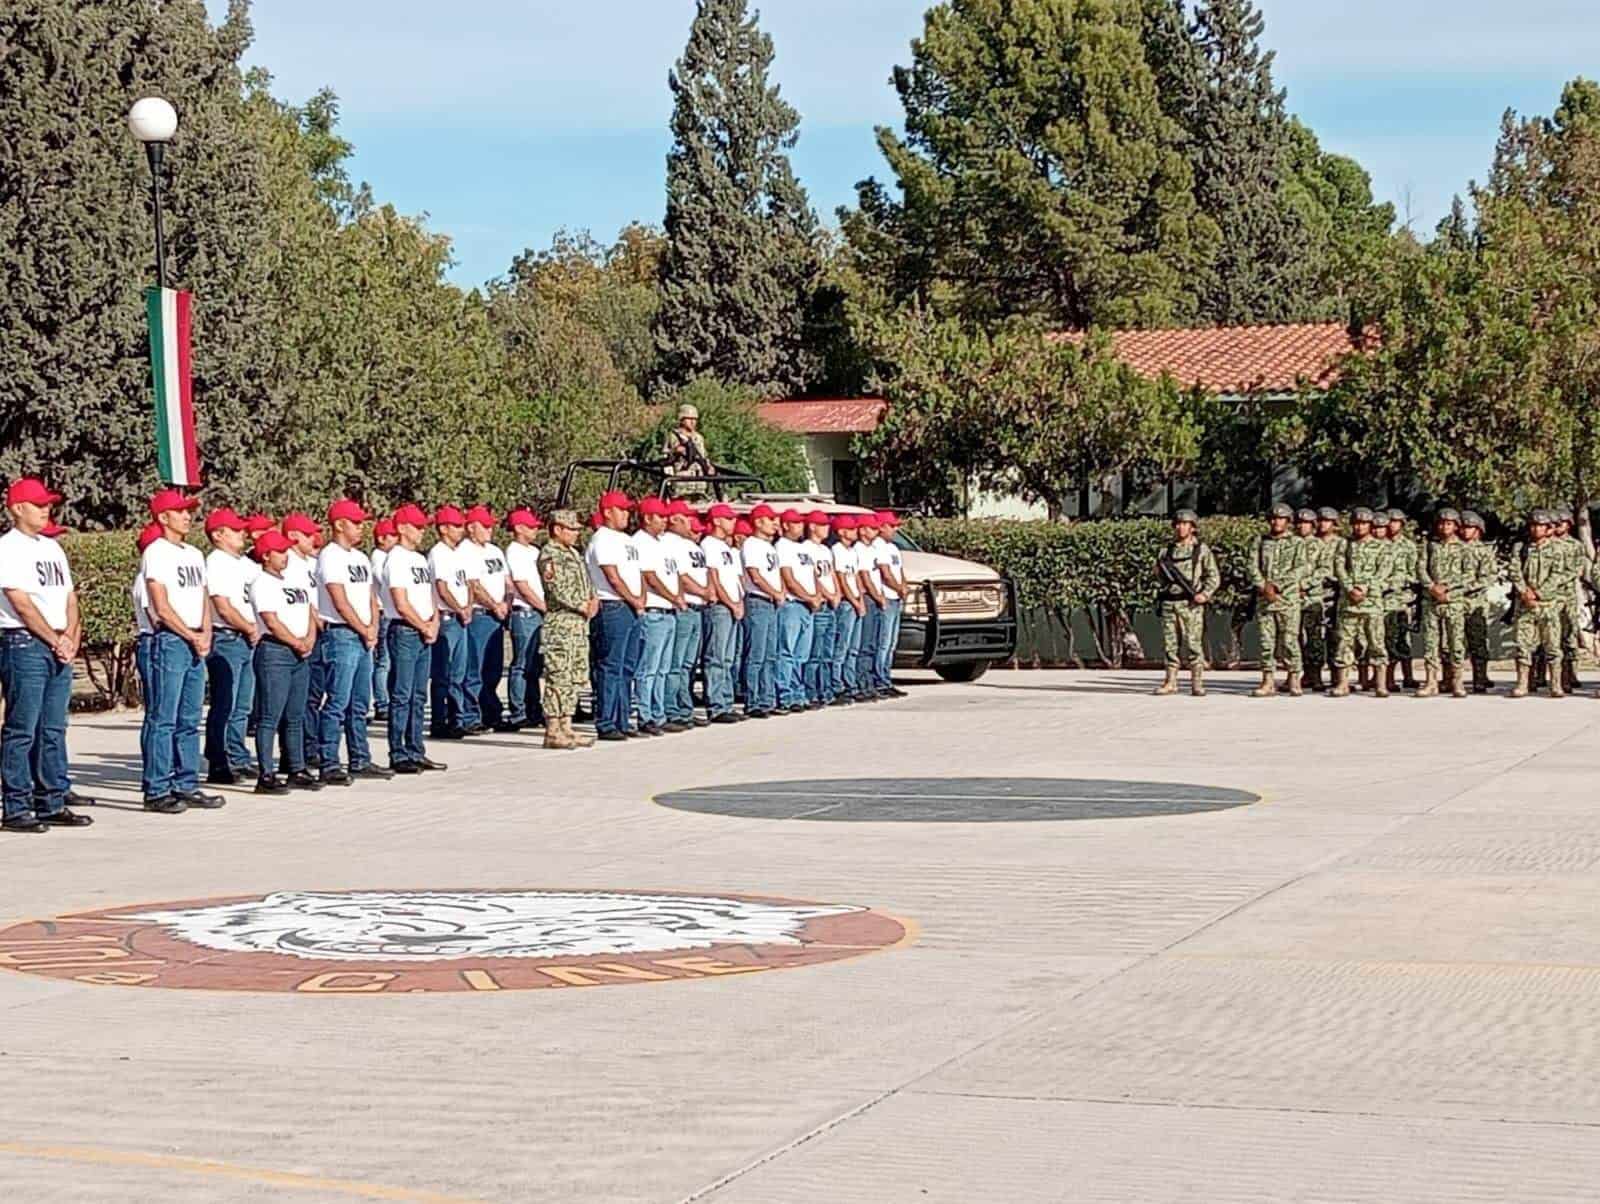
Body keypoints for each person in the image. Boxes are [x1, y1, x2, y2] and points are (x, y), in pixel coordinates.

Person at [0, 477, 91, 833]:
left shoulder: (53, 549)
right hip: (24, 644)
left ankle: (51, 799)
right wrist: (54, 638)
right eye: (38, 504)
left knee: (53, 727)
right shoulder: (8, 548)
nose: (45, 509)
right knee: (22, 728)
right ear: (17, 508)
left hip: (56, 644)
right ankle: (16, 806)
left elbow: (69, 597)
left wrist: (70, 635)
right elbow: (21, 603)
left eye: (47, 503)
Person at [139, 490, 224, 813]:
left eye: (188, 511)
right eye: (180, 512)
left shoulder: (193, 553)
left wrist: (205, 631)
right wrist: (189, 634)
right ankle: (157, 788)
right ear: (163, 518)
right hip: (171, 640)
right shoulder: (157, 553)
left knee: (189, 717)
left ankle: (186, 783)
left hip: (194, 639)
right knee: (164, 717)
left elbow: (202, 595)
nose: (187, 516)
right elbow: (160, 606)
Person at [316, 498, 389, 784]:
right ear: (339, 525)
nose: (361, 528)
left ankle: (360, 757)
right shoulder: (330, 556)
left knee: (360, 702)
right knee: (338, 701)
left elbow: (370, 595)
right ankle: (329, 761)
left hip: (363, 636)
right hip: (342, 633)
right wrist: (362, 627)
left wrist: (372, 626)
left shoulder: (360, 558)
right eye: (356, 523)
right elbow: (339, 598)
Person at [249, 529, 323, 794]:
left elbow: (309, 612)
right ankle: (266, 773)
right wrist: (296, 641)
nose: (285, 556)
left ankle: (296, 767)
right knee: (270, 715)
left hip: (300, 651)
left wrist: (310, 638)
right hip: (275, 652)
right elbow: (271, 620)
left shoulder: (294, 580)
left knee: (296, 715)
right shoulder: (263, 582)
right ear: (266, 555)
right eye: (280, 551)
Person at [382, 504, 445, 774]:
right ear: (402, 528)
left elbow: (430, 593)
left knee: (419, 695)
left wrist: (434, 621)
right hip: (405, 630)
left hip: (423, 630)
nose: (421, 531)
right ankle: (398, 752)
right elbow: (401, 601)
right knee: (402, 694)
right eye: (417, 527)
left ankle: (416, 748)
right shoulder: (396, 558)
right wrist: (423, 625)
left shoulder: (419, 559)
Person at [201, 507, 258, 785]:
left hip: (247, 638)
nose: (242, 534)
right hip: (228, 637)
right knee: (225, 703)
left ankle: (237, 755)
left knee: (243, 705)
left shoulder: (245, 564)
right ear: (218, 534)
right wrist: (249, 627)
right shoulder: (217, 562)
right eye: (235, 530)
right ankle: (218, 760)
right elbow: (222, 605)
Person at [587, 491, 645, 742]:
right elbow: (612, 576)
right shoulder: (603, 540)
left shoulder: (627, 540)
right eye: (621, 510)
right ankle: (607, 721)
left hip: (631, 606)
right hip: (613, 606)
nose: (626, 515)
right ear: (608, 512)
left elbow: (637, 571)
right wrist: (633, 598)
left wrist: (640, 597)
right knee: (610, 665)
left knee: (627, 665)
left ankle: (622, 718)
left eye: (628, 510)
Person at [538, 509, 599, 749]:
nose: (575, 534)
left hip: (578, 625)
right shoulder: (550, 554)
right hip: (561, 623)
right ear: (557, 529)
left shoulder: (573, 553)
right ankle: (553, 729)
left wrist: (593, 600)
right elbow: (557, 588)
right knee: (559, 676)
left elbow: (587, 582)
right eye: (571, 529)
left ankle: (567, 726)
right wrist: (581, 604)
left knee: (574, 677)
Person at [1153, 509, 1219, 697]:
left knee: (1193, 644)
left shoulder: (1201, 550)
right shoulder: (1166, 551)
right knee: (1170, 645)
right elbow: (1160, 578)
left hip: (1190, 605)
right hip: (1170, 603)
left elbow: (1213, 576)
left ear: (1193, 527)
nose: (1181, 527)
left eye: (1185, 524)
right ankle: (1170, 681)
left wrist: (1204, 594)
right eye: (1178, 524)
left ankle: (1197, 683)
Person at [1248, 503, 1308, 697]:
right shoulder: (1260, 541)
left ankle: (1294, 678)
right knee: (1267, 642)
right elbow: (1251, 566)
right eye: (1273, 518)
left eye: (1281, 519)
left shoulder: (1297, 543)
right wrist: (1263, 585)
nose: (1276, 522)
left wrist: (1277, 585)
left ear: (1288, 522)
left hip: (1287, 600)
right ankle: (1267, 681)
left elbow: (1300, 568)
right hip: (1265, 600)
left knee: (1290, 641)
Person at [461, 505, 511, 733]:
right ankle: (471, 715)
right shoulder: (466, 551)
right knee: (475, 668)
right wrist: (494, 605)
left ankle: (491, 712)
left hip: (497, 615)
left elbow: (507, 581)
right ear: (471, 528)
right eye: (486, 526)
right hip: (481, 614)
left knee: (493, 668)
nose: (490, 530)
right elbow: (474, 585)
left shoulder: (495, 551)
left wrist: (506, 604)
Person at [1331, 508, 1390, 698]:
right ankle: (1343, 683)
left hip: (1371, 602)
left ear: (1370, 525)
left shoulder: (1381, 546)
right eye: (1356, 523)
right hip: (1348, 602)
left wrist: (1365, 587)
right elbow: (1339, 567)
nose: (1359, 526)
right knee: (1344, 643)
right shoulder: (1344, 544)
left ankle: (1380, 684)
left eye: (1363, 523)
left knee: (1376, 642)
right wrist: (1349, 588)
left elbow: (1384, 570)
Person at [281, 512, 325, 767]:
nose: (313, 538)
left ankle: (309, 746)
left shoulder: (311, 562)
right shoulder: (289, 564)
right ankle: (298, 752)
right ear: (293, 536)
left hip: (316, 634)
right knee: (301, 699)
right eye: (308, 534)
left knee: (314, 695)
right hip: (302, 635)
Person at [633, 497, 679, 735]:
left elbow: (674, 573)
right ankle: (645, 714)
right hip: (654, 610)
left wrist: (676, 597)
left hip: (668, 611)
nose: (665, 521)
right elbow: (649, 576)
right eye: (660, 516)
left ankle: (659, 713)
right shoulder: (641, 542)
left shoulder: (661, 542)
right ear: (647, 518)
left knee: (663, 668)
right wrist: (673, 596)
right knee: (649, 667)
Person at [663, 501, 711, 728]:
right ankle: (672, 709)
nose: (690, 522)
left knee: (688, 664)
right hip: (684, 607)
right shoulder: (669, 543)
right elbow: (679, 576)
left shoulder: (689, 544)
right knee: (676, 662)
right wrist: (702, 591)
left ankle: (684, 706)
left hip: (697, 607)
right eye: (685, 517)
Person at [428, 505, 473, 739]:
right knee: (443, 674)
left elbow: (469, 584)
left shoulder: (458, 553)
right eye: (456, 526)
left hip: (460, 617)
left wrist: (468, 606)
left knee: (459, 673)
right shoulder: (438, 553)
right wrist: (459, 608)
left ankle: (457, 718)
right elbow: (442, 588)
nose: (461, 529)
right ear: (444, 529)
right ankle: (439, 720)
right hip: (447, 617)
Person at [1510, 510, 1564, 698]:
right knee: (1522, 646)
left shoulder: (1557, 549)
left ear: (1548, 528)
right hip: (1525, 605)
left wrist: (1539, 593)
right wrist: (1524, 591)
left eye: (1540, 525)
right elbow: (1514, 571)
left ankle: (1556, 685)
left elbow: (1557, 575)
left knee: (1552, 646)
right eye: (1533, 525)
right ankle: (1523, 683)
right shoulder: (1520, 548)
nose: (1536, 529)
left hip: (1547, 604)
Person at [1416, 508, 1470, 698]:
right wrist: (1431, 587)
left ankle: (1457, 681)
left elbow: (1469, 574)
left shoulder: (1464, 548)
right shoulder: (1430, 546)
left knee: (1456, 643)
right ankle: (1431, 681)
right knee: (1431, 643)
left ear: (1456, 526)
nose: (1444, 526)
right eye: (1441, 523)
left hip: (1453, 601)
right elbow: (1421, 568)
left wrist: (1447, 587)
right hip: (1432, 601)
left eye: (1449, 523)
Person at [699, 504, 745, 724]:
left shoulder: (726, 547)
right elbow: (714, 578)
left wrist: (739, 601)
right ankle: (716, 705)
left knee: (728, 658)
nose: (733, 522)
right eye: (728, 519)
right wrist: (730, 602)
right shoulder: (709, 545)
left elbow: (735, 578)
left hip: (733, 605)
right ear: (717, 521)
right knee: (716, 657)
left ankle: (726, 701)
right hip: (720, 607)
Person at [503, 509, 548, 732]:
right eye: (531, 527)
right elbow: (522, 585)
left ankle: (533, 708)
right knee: (521, 662)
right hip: (527, 611)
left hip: (538, 611)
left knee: (535, 664)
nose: (535, 530)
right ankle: (518, 710)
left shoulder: (535, 551)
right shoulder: (515, 551)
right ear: (519, 528)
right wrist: (543, 606)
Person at [741, 503, 784, 718]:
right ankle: (753, 700)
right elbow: (755, 575)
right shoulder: (752, 544)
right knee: (756, 654)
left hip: (771, 602)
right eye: (771, 519)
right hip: (758, 601)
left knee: (770, 654)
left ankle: (767, 699)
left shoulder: (770, 547)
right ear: (758, 522)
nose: (775, 524)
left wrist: (780, 592)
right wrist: (774, 592)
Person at [775, 509, 819, 714]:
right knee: (787, 651)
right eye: (796, 523)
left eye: (802, 523)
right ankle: (785, 694)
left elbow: (813, 575)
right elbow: (788, 579)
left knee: (802, 654)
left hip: (807, 606)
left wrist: (816, 595)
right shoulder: (782, 547)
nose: (801, 527)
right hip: (793, 605)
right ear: (785, 526)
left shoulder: (803, 549)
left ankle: (798, 692)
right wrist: (808, 597)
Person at [871, 513, 910, 698]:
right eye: (891, 526)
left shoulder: (893, 548)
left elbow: (899, 571)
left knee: (892, 642)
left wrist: (903, 585)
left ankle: (886, 676)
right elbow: (885, 574)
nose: (895, 530)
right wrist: (897, 588)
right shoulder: (878, 546)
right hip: (886, 596)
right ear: (881, 527)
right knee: (883, 642)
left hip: (896, 597)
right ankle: (879, 679)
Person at [829, 514, 866, 706]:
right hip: (846, 602)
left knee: (853, 647)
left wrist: (861, 597)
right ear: (842, 532)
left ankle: (850, 683)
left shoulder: (852, 551)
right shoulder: (837, 550)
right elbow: (841, 578)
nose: (855, 532)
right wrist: (853, 600)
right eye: (851, 529)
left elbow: (856, 576)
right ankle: (837, 684)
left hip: (856, 602)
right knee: (841, 646)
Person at [804, 511, 838, 707]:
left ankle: (825, 690)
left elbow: (831, 574)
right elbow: (813, 577)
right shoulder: (806, 549)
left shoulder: (825, 550)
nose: (827, 528)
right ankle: (811, 691)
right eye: (822, 524)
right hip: (820, 603)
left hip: (831, 603)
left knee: (827, 652)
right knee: (814, 652)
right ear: (812, 527)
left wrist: (836, 594)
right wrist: (826, 594)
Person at [1460, 511, 1497, 693]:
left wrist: (1465, 587)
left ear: (1478, 530)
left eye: (1470, 528)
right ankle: (1450, 678)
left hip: (1475, 602)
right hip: (1455, 603)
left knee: (1478, 642)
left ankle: (1480, 677)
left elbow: (1488, 577)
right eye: (1464, 527)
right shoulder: (1454, 548)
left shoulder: (1484, 551)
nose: (1466, 531)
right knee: (1451, 643)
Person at [1384, 510, 1420, 692]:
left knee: (1403, 640)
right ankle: (1387, 679)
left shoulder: (1409, 546)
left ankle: (1408, 676)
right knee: (1386, 639)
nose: (1392, 524)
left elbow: (1415, 573)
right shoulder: (1380, 543)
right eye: (1389, 521)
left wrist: (1400, 582)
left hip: (1402, 599)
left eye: (1396, 522)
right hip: (1382, 599)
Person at [1551, 507, 1586, 693]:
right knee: (1548, 640)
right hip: (1548, 599)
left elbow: (1578, 570)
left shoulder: (1575, 546)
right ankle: (1548, 677)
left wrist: (1556, 580)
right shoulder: (1547, 544)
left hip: (1567, 597)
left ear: (1569, 525)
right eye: (1555, 523)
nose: (1558, 526)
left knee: (1568, 636)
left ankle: (1570, 674)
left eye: (1561, 523)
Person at [854, 514, 887, 702]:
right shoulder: (860, 549)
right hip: (868, 597)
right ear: (863, 530)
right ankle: (862, 682)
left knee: (873, 643)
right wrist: (877, 597)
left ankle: (869, 682)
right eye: (873, 528)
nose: (877, 531)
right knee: (864, 645)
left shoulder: (871, 548)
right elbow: (865, 577)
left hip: (874, 596)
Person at [369, 518, 398, 722]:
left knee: (386, 661)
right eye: (393, 535)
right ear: (382, 538)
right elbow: (386, 581)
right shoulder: (379, 558)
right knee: (383, 661)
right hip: (382, 612)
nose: (396, 539)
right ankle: (381, 702)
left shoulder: (389, 557)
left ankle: (384, 699)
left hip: (386, 612)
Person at [662, 403, 712, 477]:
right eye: (689, 419)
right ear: (681, 420)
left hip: (699, 478)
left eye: (694, 419)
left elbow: (704, 456)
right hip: (682, 476)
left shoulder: (698, 437)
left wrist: (709, 467)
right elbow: (665, 456)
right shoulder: (674, 436)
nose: (692, 422)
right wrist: (675, 451)